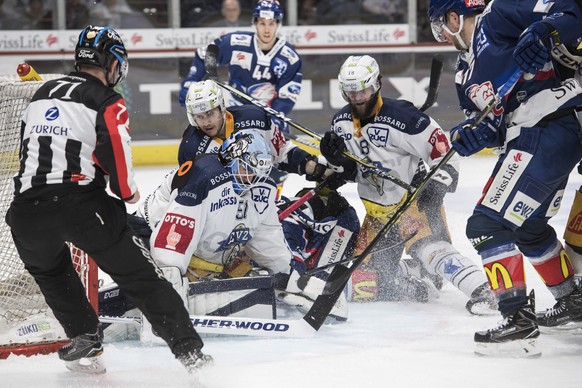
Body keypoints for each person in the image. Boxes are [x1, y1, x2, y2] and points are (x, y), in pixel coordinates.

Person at [4, 25, 212, 373]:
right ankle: (191, 353)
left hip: (25, 214)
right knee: (141, 277)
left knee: (52, 271)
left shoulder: (42, 92)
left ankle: (85, 338)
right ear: (111, 63)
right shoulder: (106, 100)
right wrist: (128, 192)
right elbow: (117, 161)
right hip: (80, 206)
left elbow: (32, 149)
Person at [427, 0, 582, 357]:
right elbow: (491, 127)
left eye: (439, 27)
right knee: (528, 229)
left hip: (549, 126)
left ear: (453, 16)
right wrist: (472, 134)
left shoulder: (498, 14)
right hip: (531, 138)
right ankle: (572, 301)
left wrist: (544, 31)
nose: (441, 37)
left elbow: (571, 10)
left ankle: (517, 323)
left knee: (486, 225)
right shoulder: (464, 73)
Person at [318, 55, 496, 314]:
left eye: (364, 90)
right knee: (363, 283)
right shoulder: (341, 123)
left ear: (377, 84)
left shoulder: (404, 118)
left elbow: (443, 151)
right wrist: (335, 160)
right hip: (377, 215)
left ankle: (484, 290)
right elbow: (349, 172)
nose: (358, 98)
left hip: (411, 204)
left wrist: (434, 189)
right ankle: (419, 277)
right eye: (351, 92)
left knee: (431, 250)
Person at [178, 79, 332, 187]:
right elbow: (191, 190)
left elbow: (283, 154)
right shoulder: (190, 145)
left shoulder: (254, 119)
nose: (206, 122)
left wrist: (315, 168)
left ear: (221, 108)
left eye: (210, 113)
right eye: (200, 117)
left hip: (259, 197)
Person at [178, 0, 302, 125]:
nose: (266, 29)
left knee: (282, 144)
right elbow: (205, 56)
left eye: (271, 24)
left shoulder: (289, 58)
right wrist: (192, 81)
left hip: (266, 113)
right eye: (262, 23)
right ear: (254, 23)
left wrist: (276, 116)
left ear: (278, 24)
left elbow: (286, 96)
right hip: (234, 107)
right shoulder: (235, 42)